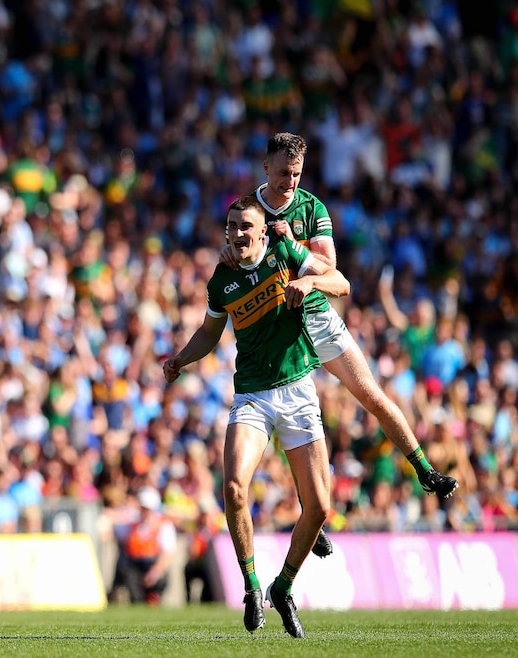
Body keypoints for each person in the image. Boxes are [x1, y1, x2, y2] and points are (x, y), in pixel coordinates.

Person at [221, 132, 459, 554]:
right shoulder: (249, 211)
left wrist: (304, 270)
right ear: (265, 168)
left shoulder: (312, 208)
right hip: (275, 329)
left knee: (370, 394)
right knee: (286, 421)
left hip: (315, 316)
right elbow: (233, 256)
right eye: (282, 174)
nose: (289, 182)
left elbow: (332, 271)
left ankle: (424, 469)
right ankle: (312, 510)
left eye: (295, 174)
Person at [164, 195, 351, 637]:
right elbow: (210, 333)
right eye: (232, 226)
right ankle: (251, 587)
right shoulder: (222, 278)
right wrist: (180, 360)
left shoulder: (287, 253)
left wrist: (310, 284)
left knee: (320, 507)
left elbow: (342, 283)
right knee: (233, 487)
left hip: (299, 389)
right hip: (252, 395)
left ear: (264, 231)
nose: (238, 233)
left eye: (247, 226)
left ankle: (282, 587)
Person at [110, 486, 177, 606]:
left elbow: (167, 553)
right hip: (134, 565)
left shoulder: (164, 525)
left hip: (152, 563)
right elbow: (116, 533)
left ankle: (153, 598)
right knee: (130, 578)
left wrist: (155, 571)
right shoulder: (132, 523)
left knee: (160, 580)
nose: (145, 512)